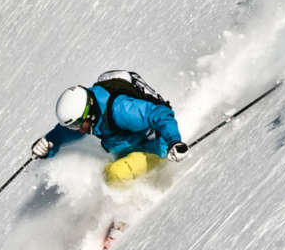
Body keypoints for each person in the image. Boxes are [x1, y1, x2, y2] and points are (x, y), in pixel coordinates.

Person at [29, 72, 187, 186]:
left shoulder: (121, 110)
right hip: (132, 148)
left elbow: (160, 114)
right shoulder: (91, 114)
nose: (76, 129)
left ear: (88, 114)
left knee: (115, 173)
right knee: (104, 174)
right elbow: (64, 132)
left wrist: (174, 142)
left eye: (76, 125)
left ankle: (125, 212)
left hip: (159, 149)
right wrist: (48, 143)